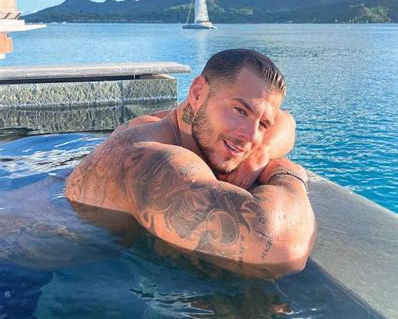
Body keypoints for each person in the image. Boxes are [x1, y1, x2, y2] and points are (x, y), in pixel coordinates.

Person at [65, 49, 316, 278]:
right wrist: (286, 171)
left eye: (262, 125)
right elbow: (280, 246)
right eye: (240, 110)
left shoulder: (174, 125)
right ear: (197, 93)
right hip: (42, 282)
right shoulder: (149, 159)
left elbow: (286, 121)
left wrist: (261, 153)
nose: (250, 136)